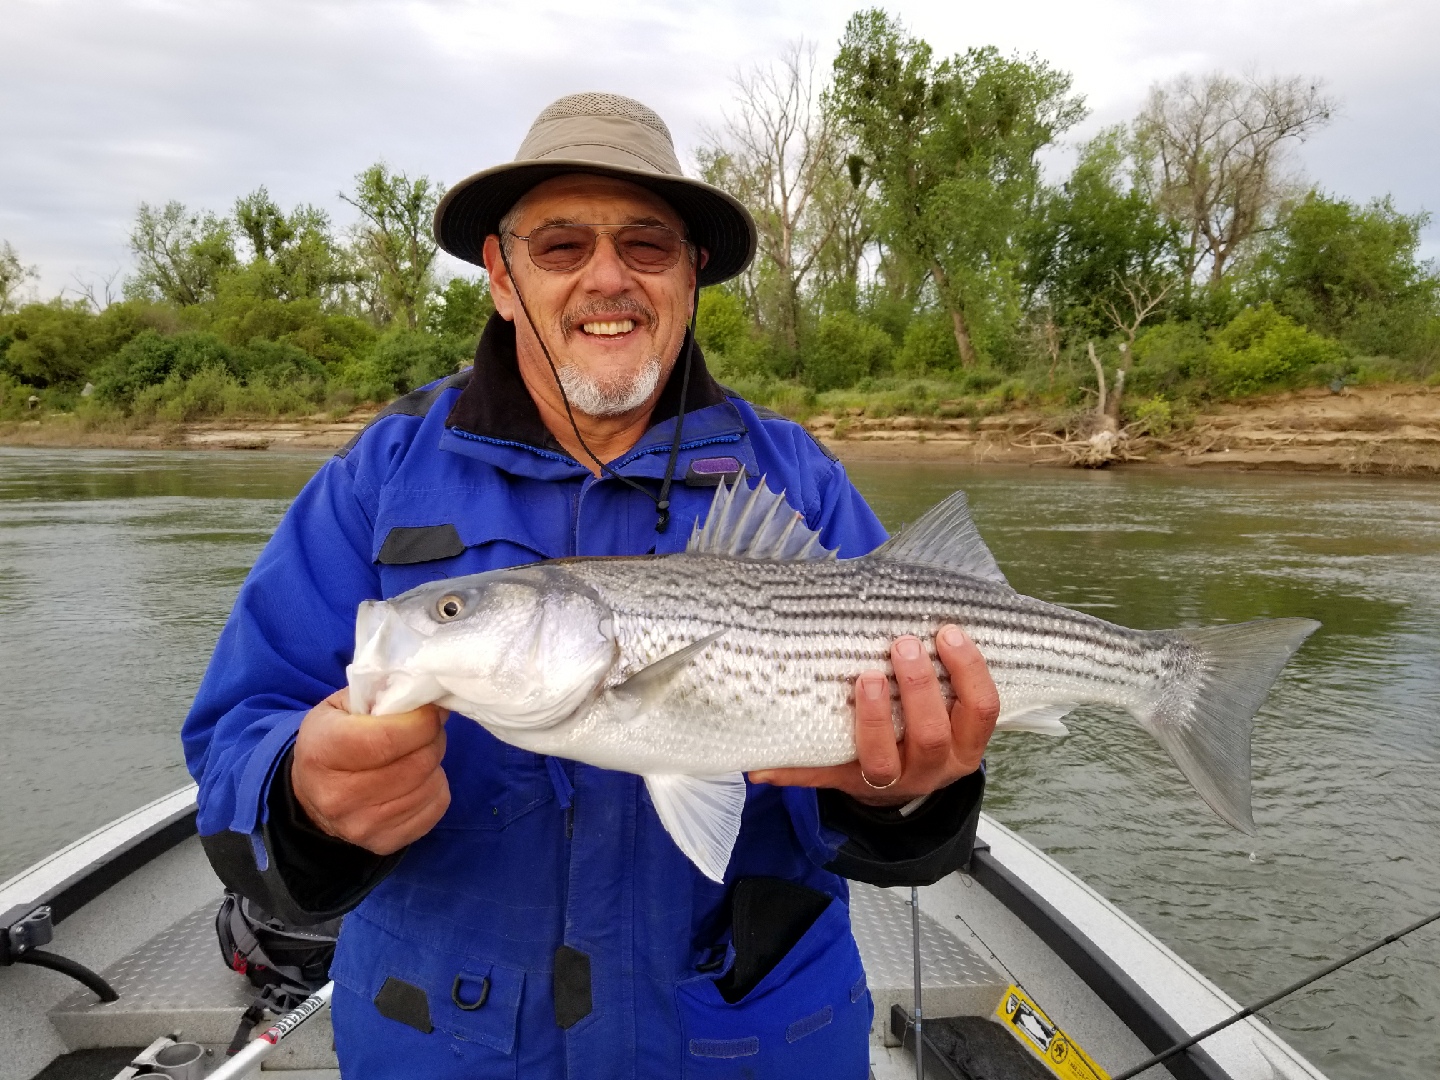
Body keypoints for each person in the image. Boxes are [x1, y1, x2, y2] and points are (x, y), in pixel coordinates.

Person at [182, 92, 1000, 1079]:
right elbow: (238, 732)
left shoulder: (797, 479)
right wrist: (304, 794)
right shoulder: (376, 478)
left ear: (693, 274)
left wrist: (904, 800)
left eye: (647, 246)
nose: (606, 277)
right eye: (562, 246)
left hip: (748, 1043)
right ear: (500, 274)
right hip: (445, 1044)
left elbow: (898, 823)